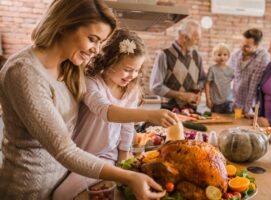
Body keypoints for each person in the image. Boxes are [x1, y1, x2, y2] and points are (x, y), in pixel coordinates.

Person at [0, 0, 169, 199]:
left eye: (101, 42)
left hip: (62, 179)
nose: (97, 50)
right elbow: (65, 150)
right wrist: (128, 177)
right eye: (92, 39)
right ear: (64, 25)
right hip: (29, 189)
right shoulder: (24, 72)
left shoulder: (70, 67)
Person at [53, 29, 175, 199]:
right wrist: (147, 115)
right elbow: (105, 111)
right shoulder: (91, 82)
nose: (132, 75)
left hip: (108, 157)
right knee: (60, 195)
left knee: (63, 195)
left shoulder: (131, 90)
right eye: (127, 69)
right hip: (82, 156)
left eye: (137, 70)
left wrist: (124, 160)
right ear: (109, 62)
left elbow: (126, 126)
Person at [150, 19, 206, 111]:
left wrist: (197, 93)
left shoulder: (197, 56)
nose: (198, 43)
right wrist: (180, 95)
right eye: (196, 39)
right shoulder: (164, 55)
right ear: (184, 38)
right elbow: (156, 87)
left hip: (191, 112)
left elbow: (202, 80)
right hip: (169, 113)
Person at [228, 28, 270, 116]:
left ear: (257, 45)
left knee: (246, 127)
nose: (242, 48)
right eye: (242, 44)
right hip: (235, 104)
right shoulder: (236, 55)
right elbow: (229, 77)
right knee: (235, 126)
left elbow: (254, 84)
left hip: (251, 107)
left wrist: (248, 109)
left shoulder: (263, 57)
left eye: (247, 46)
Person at [205, 43, 234, 113]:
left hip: (228, 101)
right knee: (216, 120)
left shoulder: (231, 70)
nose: (222, 57)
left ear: (228, 56)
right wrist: (208, 99)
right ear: (214, 56)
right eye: (219, 55)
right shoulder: (212, 69)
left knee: (228, 120)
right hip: (215, 102)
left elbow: (237, 82)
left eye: (225, 54)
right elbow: (207, 84)